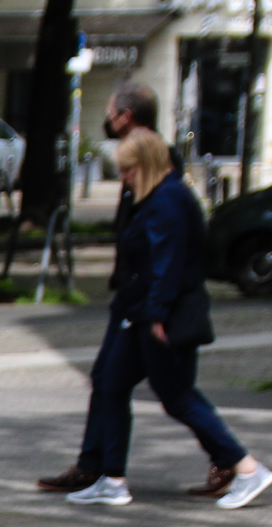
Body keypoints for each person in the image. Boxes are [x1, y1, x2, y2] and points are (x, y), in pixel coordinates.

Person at [52, 128, 272, 510]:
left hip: (160, 316)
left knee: (177, 397)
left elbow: (165, 267)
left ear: (147, 165)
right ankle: (112, 479)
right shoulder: (159, 197)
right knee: (112, 384)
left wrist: (156, 315)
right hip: (145, 313)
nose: (124, 178)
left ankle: (248, 467)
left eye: (128, 171)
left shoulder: (166, 202)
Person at [38, 82, 183, 495]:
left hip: (142, 298)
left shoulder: (156, 158)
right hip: (133, 294)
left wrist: (153, 302)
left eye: (111, 111)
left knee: (173, 393)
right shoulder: (141, 155)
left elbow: (160, 233)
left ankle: (232, 461)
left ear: (125, 116)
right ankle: (96, 467)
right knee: (111, 380)